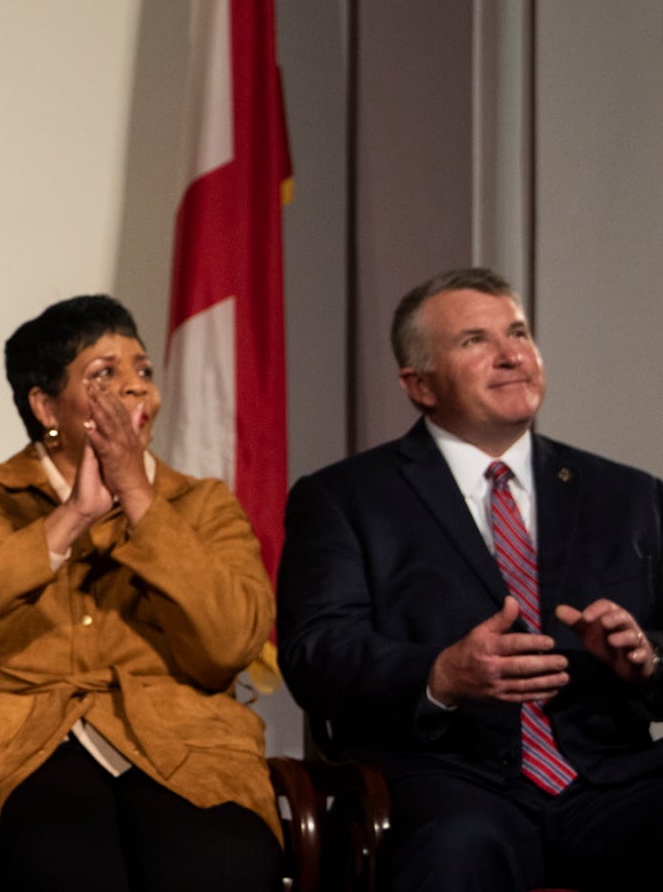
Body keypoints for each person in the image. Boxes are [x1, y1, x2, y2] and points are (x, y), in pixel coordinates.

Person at [276, 267, 663, 892]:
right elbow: (316, 653)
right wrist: (440, 675)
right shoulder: (345, 498)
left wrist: (648, 660)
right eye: (474, 341)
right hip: (447, 781)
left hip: (610, 779)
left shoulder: (628, 494)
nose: (512, 355)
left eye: (518, 333)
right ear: (419, 384)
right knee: (457, 852)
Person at [0, 295, 280, 891]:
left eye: (144, 371)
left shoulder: (203, 504)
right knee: (54, 868)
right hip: (18, 745)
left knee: (222, 866)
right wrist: (74, 516)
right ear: (46, 405)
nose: (136, 389)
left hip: (181, 745)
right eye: (106, 373)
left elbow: (231, 643)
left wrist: (138, 497)